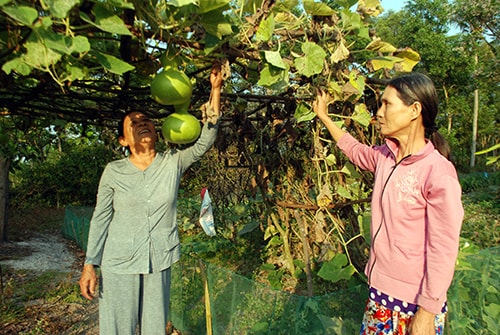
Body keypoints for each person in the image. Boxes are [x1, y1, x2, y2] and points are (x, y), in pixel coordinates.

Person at [312, 73, 463, 335]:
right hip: (380, 294)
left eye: (387, 104)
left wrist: (427, 312)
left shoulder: (437, 172)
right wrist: (324, 117)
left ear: (415, 109)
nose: (379, 112)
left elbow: (444, 248)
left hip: (414, 303)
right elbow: (354, 149)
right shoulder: (385, 157)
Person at [78, 63, 224, 335]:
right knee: (116, 329)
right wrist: (90, 264)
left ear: (157, 131)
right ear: (123, 140)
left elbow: (205, 140)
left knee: (154, 329)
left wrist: (215, 90)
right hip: (118, 262)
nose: (142, 123)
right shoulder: (113, 171)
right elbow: (101, 218)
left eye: (146, 121)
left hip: (159, 259)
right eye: (133, 123)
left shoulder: (173, 162)